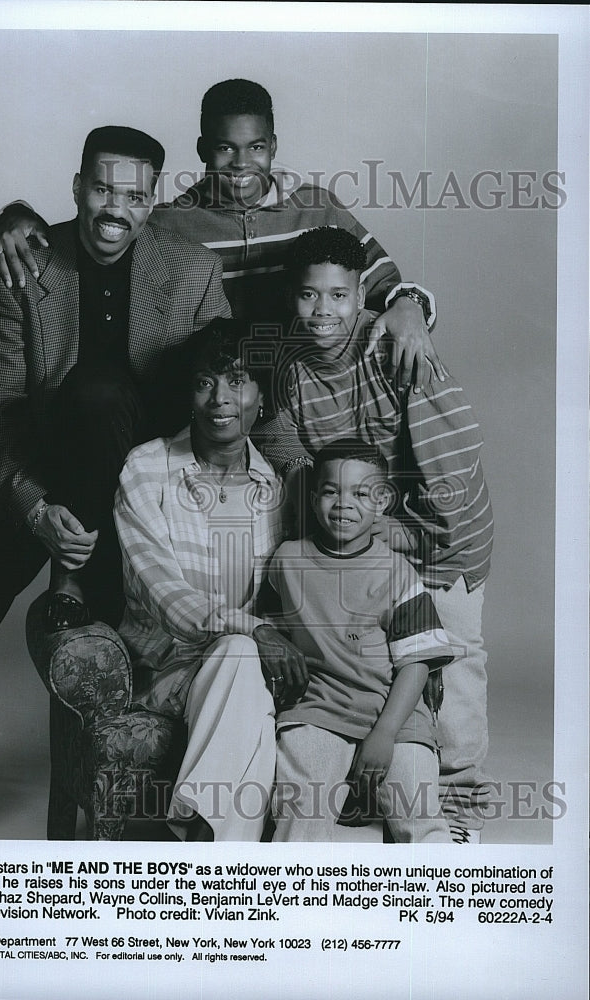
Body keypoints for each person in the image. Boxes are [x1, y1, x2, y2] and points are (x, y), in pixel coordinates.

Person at [0, 126, 230, 839]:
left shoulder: (192, 272)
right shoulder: (23, 261)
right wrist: (32, 504)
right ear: (77, 185)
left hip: (135, 483)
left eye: (133, 195)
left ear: (153, 201)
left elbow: (216, 395)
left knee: (101, 393)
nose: (114, 208)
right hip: (35, 461)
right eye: (100, 189)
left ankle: (81, 586)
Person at [257, 226, 494, 842]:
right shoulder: (289, 365)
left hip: (443, 535)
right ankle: (367, 786)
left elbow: (453, 464)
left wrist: (406, 536)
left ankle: (455, 805)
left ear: (363, 293)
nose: (323, 312)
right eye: (309, 297)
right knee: (379, 658)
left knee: (454, 660)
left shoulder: (396, 345)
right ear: (292, 296)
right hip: (370, 532)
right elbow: (300, 459)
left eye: (339, 296)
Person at [0, 79, 445, 388]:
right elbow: (99, 228)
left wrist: (411, 305)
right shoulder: (169, 222)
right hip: (212, 395)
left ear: (273, 147)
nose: (242, 164)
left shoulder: (318, 205)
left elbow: (385, 285)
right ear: (203, 148)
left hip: (310, 387)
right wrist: (16, 217)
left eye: (256, 147)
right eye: (225, 148)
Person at [113, 319, 306, 841]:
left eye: (238, 380)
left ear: (262, 396)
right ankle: (224, 865)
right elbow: (167, 597)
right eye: (205, 382)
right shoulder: (147, 469)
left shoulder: (279, 489)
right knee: (241, 655)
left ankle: (205, 845)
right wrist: (257, 633)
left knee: (242, 663)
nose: (220, 398)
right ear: (189, 392)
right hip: (168, 665)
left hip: (247, 671)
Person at [269, 440, 454, 843]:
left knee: (421, 820)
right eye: (331, 491)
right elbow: (265, 628)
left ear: (382, 502)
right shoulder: (286, 561)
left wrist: (384, 734)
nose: (343, 504)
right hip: (317, 709)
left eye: (360, 493)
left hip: (395, 716)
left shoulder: (397, 570)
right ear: (314, 496)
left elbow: (416, 663)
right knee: (302, 812)